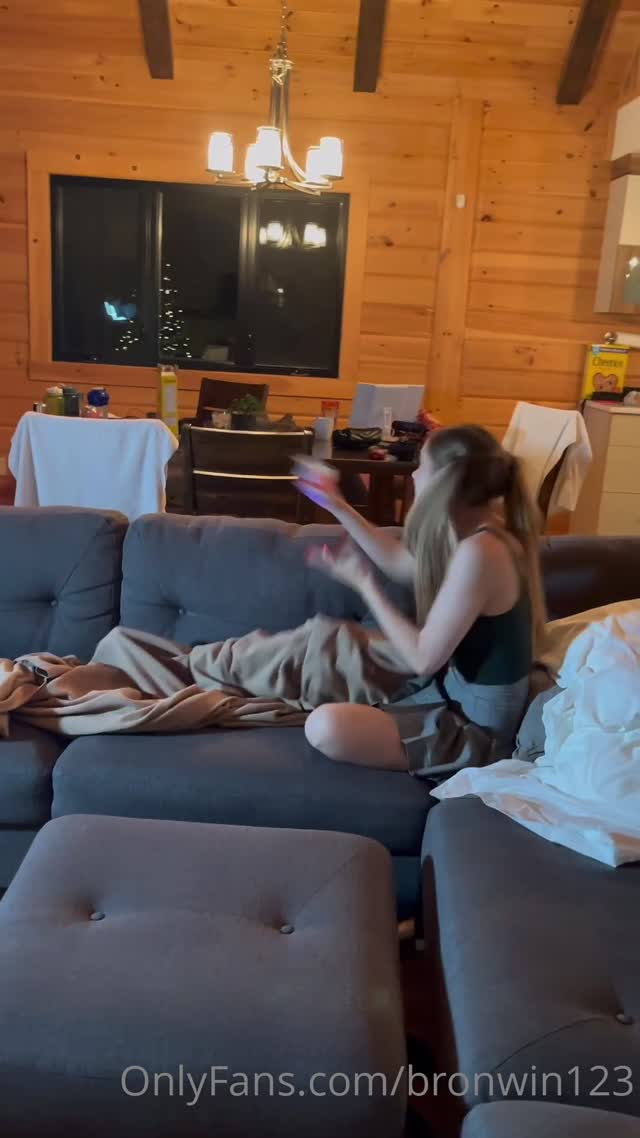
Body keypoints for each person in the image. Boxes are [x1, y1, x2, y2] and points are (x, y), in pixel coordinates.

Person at [299, 425, 545, 773]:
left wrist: (365, 585)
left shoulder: (482, 551)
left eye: (421, 466)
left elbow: (422, 658)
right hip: (451, 694)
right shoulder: (480, 533)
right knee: (329, 659)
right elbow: (404, 565)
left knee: (324, 726)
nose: (414, 475)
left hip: (475, 729)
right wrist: (336, 504)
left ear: (443, 481)